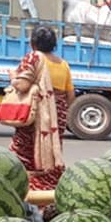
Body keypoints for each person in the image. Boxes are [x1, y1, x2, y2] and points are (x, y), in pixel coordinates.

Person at [9, 26, 71, 190]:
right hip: (57, 117)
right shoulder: (63, 64)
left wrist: (13, 77)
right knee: (51, 153)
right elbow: (70, 96)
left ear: (33, 43)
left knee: (26, 153)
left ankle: (27, 190)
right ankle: (48, 192)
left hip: (37, 116)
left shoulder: (33, 58)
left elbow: (22, 85)